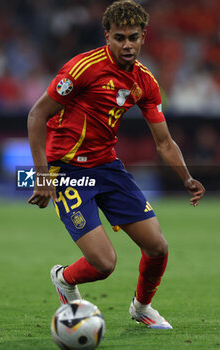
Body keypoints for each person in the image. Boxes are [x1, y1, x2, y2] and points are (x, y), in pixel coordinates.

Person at [28, 0, 205, 329]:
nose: (127, 44)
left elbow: (164, 142)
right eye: (120, 37)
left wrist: (187, 178)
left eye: (133, 37)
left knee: (157, 247)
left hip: (108, 167)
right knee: (104, 264)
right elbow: (37, 115)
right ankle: (64, 278)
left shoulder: (145, 82)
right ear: (106, 36)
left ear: (143, 37)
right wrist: (41, 177)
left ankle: (142, 307)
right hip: (67, 170)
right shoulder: (82, 68)